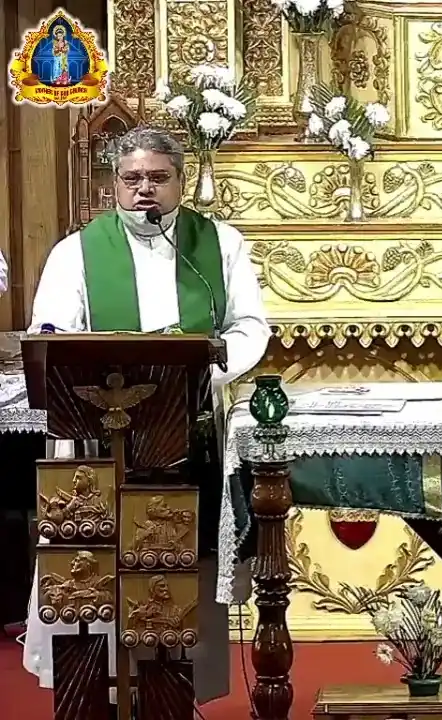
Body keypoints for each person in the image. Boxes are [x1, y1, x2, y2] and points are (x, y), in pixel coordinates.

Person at [22, 126, 270, 706]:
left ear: (180, 181)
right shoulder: (76, 251)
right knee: (93, 562)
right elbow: (49, 331)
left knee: (181, 557)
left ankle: (173, 694)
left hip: (189, 426)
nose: (144, 190)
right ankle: (99, 692)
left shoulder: (220, 245)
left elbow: (250, 326)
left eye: (158, 177)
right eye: (131, 178)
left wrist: (199, 374)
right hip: (98, 435)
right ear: (113, 184)